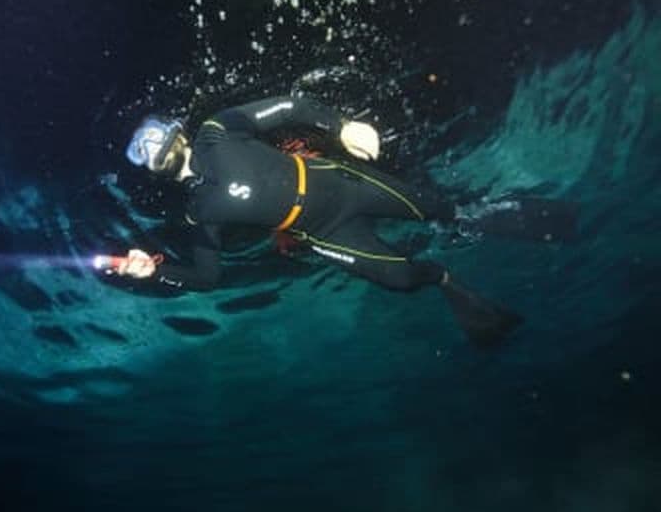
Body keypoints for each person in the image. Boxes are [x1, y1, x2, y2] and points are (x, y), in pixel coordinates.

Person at [117, 95, 523, 347]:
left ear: (178, 131)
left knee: (441, 210)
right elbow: (207, 278)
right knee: (400, 280)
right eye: (145, 150)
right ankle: (446, 281)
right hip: (323, 232)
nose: (152, 146)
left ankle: (498, 212)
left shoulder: (216, 130)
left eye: (153, 137)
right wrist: (154, 272)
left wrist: (342, 127)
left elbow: (290, 107)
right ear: (152, 169)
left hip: (341, 182)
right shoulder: (198, 212)